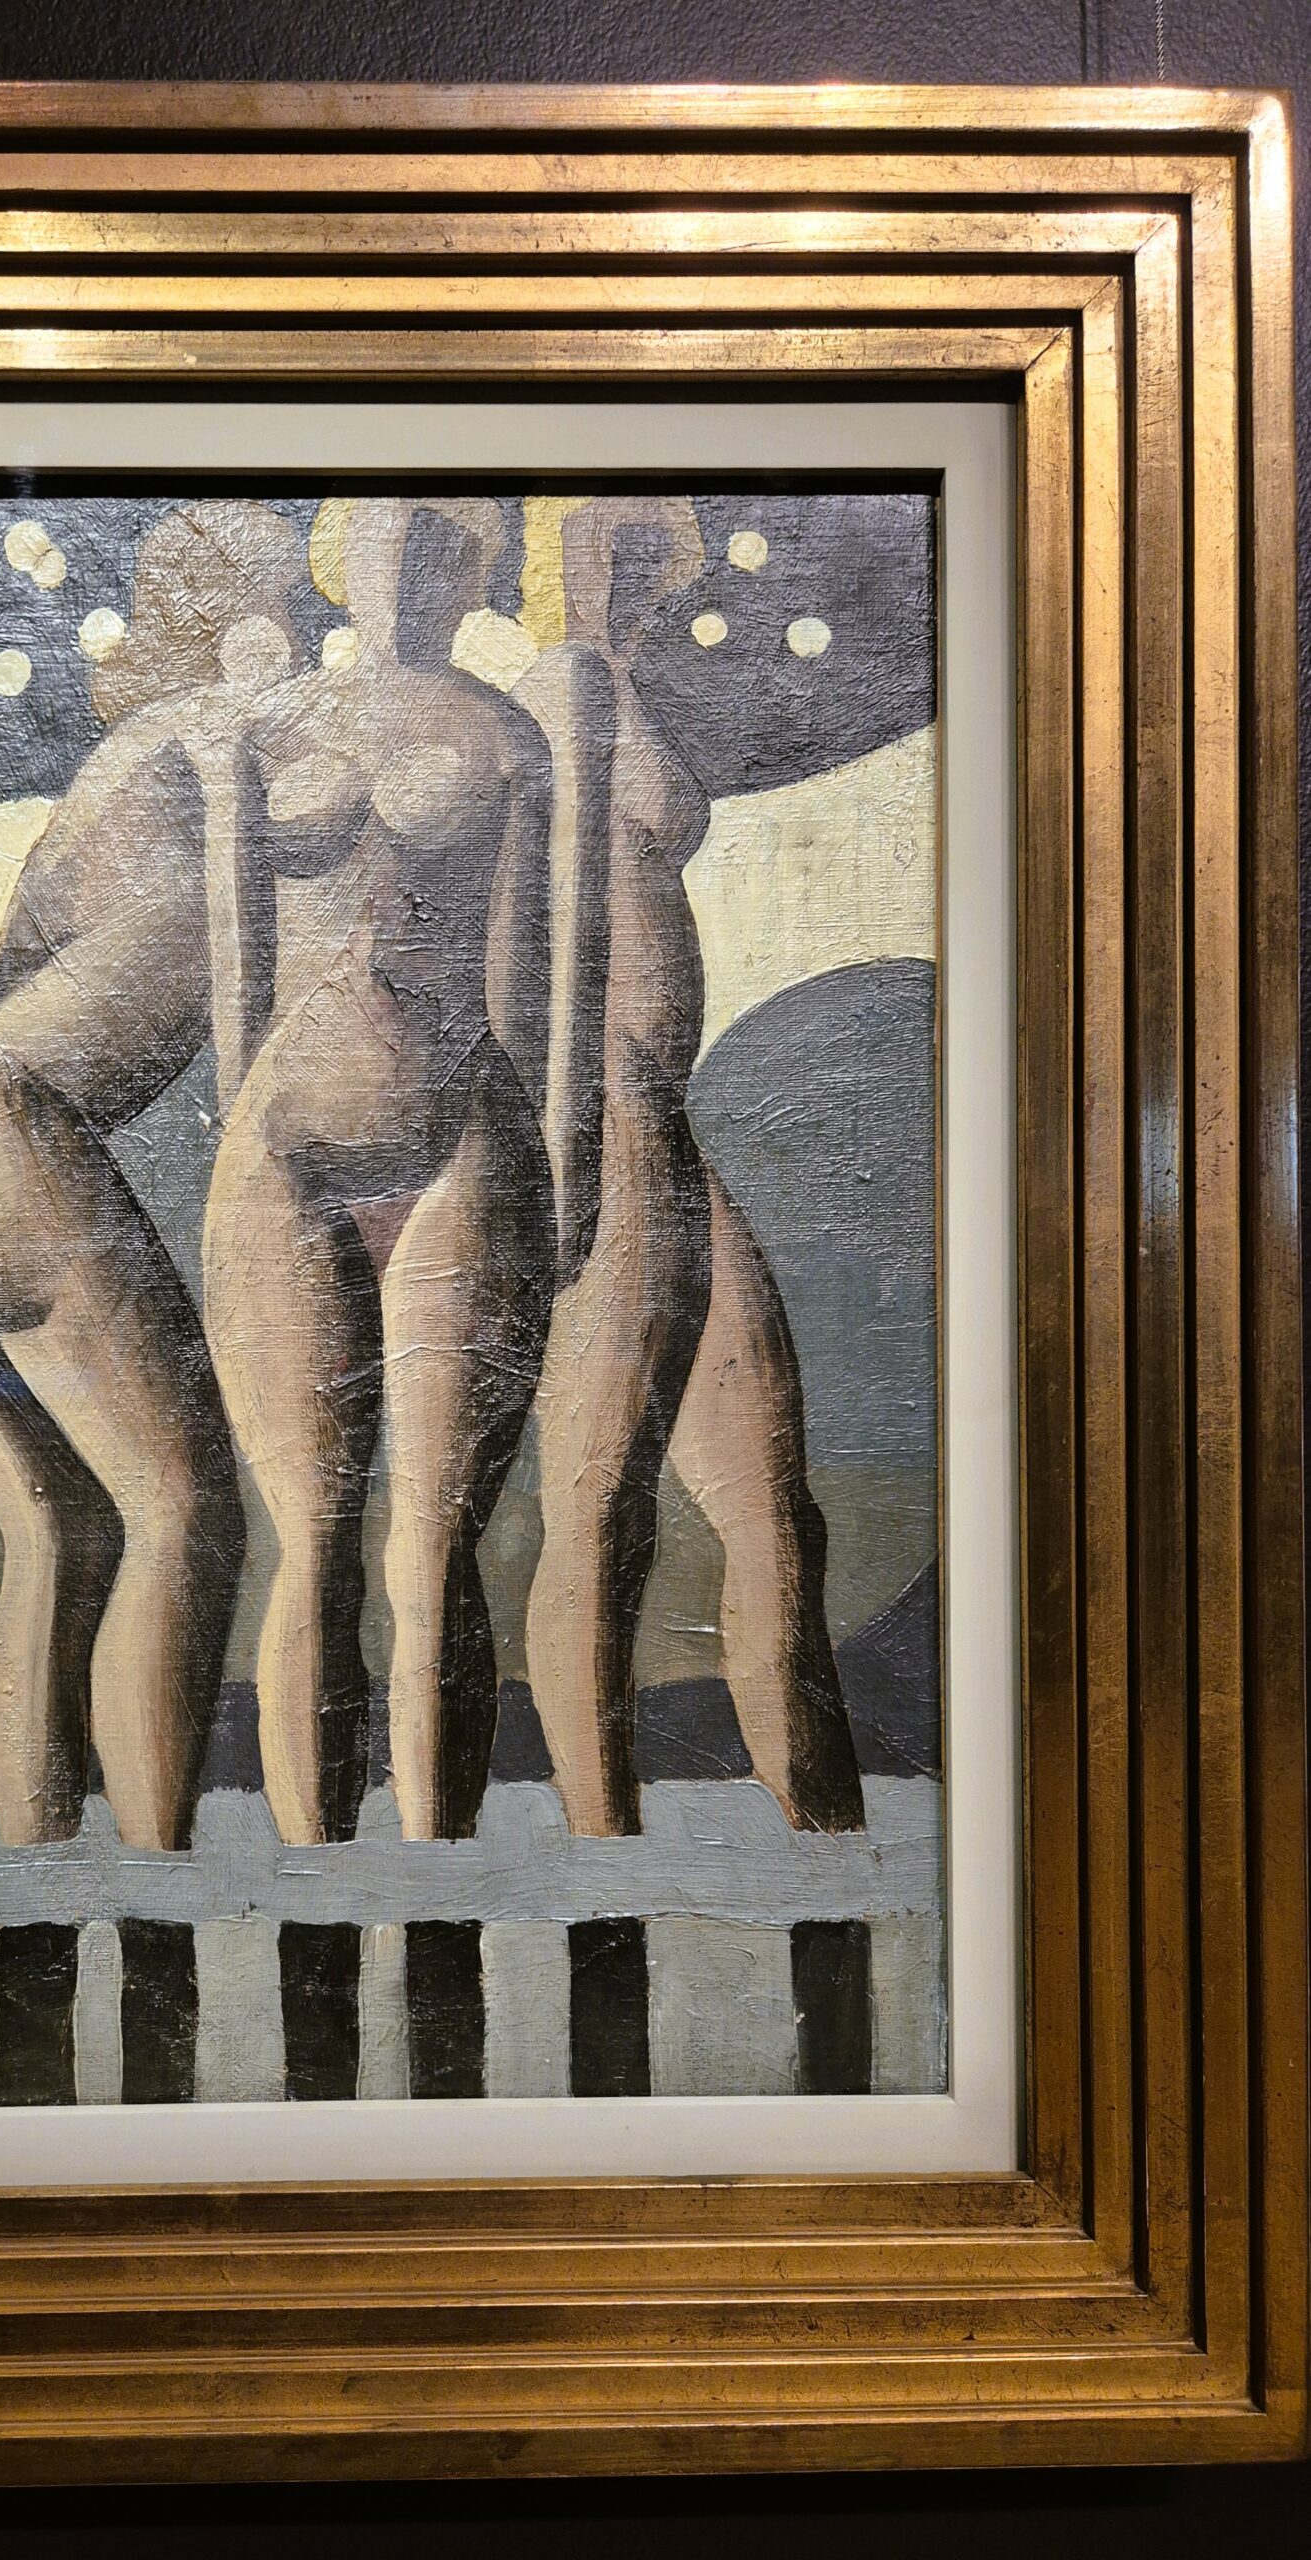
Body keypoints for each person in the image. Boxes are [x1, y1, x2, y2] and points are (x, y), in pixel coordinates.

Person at [0, 501, 305, 1851]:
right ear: (237, 627)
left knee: (60, 1532)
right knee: (187, 1511)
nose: (307, 634)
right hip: (6, 1134)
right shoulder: (216, 741)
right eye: (289, 603)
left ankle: (37, 1885)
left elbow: (15, 984)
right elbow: (247, 1017)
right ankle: (157, 1879)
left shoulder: (129, 759)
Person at [201, 497, 578, 1845]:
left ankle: (437, 1887)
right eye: (382, 527)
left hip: (461, 1134)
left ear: (475, 566)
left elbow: (533, 982)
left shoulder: (507, 735)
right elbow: (239, 973)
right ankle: (313, 1888)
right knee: (312, 1545)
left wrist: (560, 1164)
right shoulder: (263, 732)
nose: (408, 550)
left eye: (440, 531)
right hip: (283, 1148)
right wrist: (237, 1144)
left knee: (431, 1545)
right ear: (336, 556)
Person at [515, 496, 865, 1836]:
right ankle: (603, 1847)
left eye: (645, 540)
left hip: (658, 1116)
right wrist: (563, 1145)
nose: (632, 560)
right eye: (600, 536)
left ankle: (820, 1826)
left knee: (775, 1508)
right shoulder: (557, 687)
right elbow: (543, 924)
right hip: (596, 1110)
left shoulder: (616, 685)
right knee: (603, 1504)